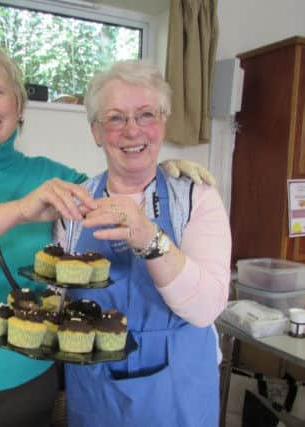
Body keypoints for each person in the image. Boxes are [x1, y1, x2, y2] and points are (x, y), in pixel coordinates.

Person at [0, 42, 217, 427]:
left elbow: (114, 189)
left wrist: (159, 171)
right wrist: (20, 210)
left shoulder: (51, 178)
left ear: (19, 105)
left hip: (25, 385)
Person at [55, 60, 231, 427]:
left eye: (146, 115)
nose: (133, 131)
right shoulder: (74, 204)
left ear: (163, 124)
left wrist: (148, 236)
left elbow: (204, 309)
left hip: (179, 393)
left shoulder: (194, 198)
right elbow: (60, 297)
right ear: (96, 131)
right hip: (96, 389)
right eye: (116, 118)